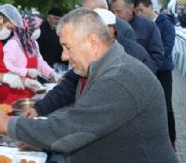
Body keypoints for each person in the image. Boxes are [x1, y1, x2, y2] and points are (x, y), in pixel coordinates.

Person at [0, 8, 178, 163]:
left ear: (93, 42)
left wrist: (5, 123)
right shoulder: (108, 68)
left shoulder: (118, 78)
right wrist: (43, 140)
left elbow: (71, 129)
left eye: (67, 47)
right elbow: (83, 117)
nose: (64, 56)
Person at [24, 8, 157, 118]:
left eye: (69, 47)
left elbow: (85, 123)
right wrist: (39, 109)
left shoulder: (123, 68)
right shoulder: (92, 63)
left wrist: (10, 125)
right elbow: (67, 87)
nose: (64, 57)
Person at [134, 0, 177, 149]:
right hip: (145, 71)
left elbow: (165, 50)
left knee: (166, 107)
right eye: (136, 11)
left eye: (141, 10)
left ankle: (171, 141)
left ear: (150, 7)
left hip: (162, 71)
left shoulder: (165, 24)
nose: (139, 14)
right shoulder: (139, 24)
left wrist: (148, 64)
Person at [3, 14, 56, 104]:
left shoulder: (33, 43)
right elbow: (5, 67)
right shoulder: (12, 44)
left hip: (31, 90)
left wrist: (51, 72)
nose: (39, 31)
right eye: (36, 28)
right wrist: (26, 71)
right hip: (16, 91)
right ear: (27, 27)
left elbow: (40, 62)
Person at [111, 0, 165, 70]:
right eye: (113, 12)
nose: (115, 15)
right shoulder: (112, 28)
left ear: (131, 8)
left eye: (118, 11)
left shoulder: (148, 26)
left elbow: (157, 56)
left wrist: (143, 74)